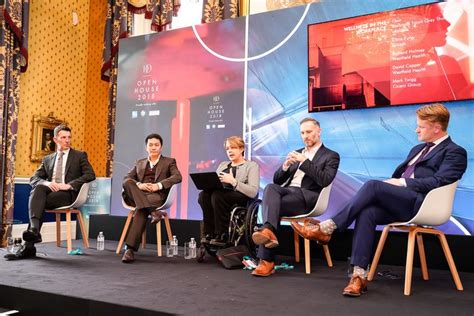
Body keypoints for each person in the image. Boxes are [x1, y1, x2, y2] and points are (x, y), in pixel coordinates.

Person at [292, 103, 467, 297]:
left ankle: (328, 228)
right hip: (403, 203)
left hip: (423, 204)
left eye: (421, 126)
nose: (416, 129)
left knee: (372, 185)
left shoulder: (455, 151)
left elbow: (440, 180)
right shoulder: (418, 148)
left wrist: (401, 183)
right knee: (367, 212)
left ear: (436, 127)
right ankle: (358, 276)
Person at [251, 117, 340, 276]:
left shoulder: (331, 156)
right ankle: (268, 232)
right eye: (302, 133)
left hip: (307, 198)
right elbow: (277, 180)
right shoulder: (297, 152)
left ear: (319, 132)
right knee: (271, 189)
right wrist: (285, 166)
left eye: (309, 132)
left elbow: (324, 180)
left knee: (272, 206)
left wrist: (304, 162)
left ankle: (266, 260)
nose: (305, 136)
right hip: (288, 192)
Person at [5, 125, 96, 260]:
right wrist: (48, 183)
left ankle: (30, 242)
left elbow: (90, 175)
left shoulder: (79, 155)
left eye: (69, 137)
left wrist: (69, 185)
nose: (67, 140)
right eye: (63, 137)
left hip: (68, 195)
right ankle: (34, 232)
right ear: (55, 139)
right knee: (39, 187)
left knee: (38, 201)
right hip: (50, 192)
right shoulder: (48, 159)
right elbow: (33, 178)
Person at [121, 133, 182, 263]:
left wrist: (158, 186)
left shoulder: (169, 162)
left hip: (156, 196)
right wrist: (140, 185)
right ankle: (153, 212)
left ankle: (129, 249)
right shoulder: (140, 162)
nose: (153, 147)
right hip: (138, 195)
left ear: (161, 147)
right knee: (128, 182)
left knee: (140, 209)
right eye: (150, 145)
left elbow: (178, 177)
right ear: (146, 147)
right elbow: (127, 178)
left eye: (156, 145)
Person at [198, 136, 259, 246]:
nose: (230, 151)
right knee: (203, 195)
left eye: (233, 147)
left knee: (217, 196)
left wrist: (233, 182)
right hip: (221, 193)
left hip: (241, 195)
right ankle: (209, 233)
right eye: (227, 148)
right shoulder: (223, 165)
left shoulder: (251, 166)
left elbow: (253, 191)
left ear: (241, 149)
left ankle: (222, 234)